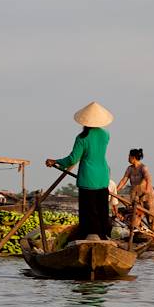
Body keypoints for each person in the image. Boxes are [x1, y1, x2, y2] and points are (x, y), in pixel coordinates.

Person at [45, 101, 113, 242]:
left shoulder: (82, 138)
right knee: (102, 208)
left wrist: (55, 161)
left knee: (89, 209)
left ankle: (92, 234)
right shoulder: (105, 135)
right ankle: (104, 234)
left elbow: (72, 159)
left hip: (88, 177)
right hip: (103, 176)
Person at [116, 148, 154, 234]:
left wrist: (147, 189)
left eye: (129, 156)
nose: (128, 158)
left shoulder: (143, 167)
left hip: (148, 196)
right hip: (136, 197)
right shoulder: (129, 169)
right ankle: (140, 236)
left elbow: (148, 178)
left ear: (133, 157)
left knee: (152, 219)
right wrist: (116, 190)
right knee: (135, 218)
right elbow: (124, 180)